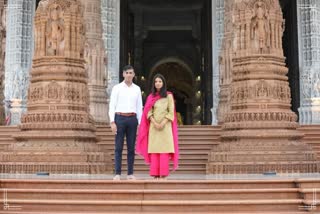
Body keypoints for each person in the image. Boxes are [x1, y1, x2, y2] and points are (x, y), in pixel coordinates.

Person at [136, 74, 179, 180]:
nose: (158, 83)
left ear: (163, 83)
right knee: (155, 149)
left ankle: (163, 174)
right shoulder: (151, 96)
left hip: (165, 127)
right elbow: (148, 111)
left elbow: (171, 112)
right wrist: (154, 122)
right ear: (154, 84)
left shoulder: (169, 96)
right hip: (154, 127)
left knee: (164, 150)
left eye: (160, 81)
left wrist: (163, 122)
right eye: (156, 82)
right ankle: (155, 173)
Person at [109, 65, 143, 180]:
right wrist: (112, 122)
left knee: (131, 148)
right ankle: (117, 173)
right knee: (118, 147)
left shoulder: (137, 89)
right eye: (127, 72)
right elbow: (112, 105)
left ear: (134, 75)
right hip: (119, 118)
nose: (129, 75)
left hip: (132, 119)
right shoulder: (117, 88)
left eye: (131, 73)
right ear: (123, 74)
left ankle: (130, 173)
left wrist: (140, 123)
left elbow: (139, 107)